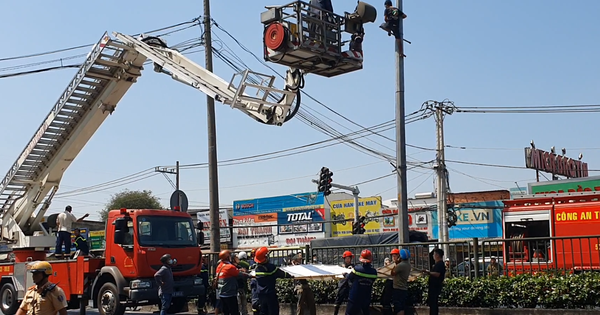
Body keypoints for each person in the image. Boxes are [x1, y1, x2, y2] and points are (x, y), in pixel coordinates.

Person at [254, 246, 293, 315]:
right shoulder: (271, 267)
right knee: (273, 311)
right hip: (270, 294)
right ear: (265, 257)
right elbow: (281, 274)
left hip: (260, 294)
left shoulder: (257, 268)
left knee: (263, 311)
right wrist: (290, 276)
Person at [345, 249, 378, 315]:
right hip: (366, 298)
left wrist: (345, 274)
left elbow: (350, 277)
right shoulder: (374, 272)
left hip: (354, 298)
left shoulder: (357, 269)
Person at [216, 250, 242, 315]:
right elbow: (240, 274)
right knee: (234, 311)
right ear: (228, 257)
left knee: (226, 311)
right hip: (230, 293)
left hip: (221, 293)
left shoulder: (219, 266)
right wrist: (251, 275)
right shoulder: (230, 267)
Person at [423, 248, 446, 315]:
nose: (433, 256)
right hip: (433, 287)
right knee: (432, 304)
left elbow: (437, 274)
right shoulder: (437, 264)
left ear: (437, 255)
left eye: (434, 254)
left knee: (433, 304)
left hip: (435, 287)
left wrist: (428, 272)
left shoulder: (440, 264)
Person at [391, 249, 411, 315]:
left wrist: (395, 264)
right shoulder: (408, 265)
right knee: (402, 307)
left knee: (398, 307)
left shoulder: (400, 265)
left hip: (398, 289)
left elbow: (392, 273)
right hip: (404, 288)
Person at [334, 251, 354, 315]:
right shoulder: (341, 267)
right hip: (342, 285)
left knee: (352, 301)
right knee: (338, 301)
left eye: (349, 258)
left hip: (350, 286)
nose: (348, 260)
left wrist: (352, 269)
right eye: (346, 258)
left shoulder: (354, 267)